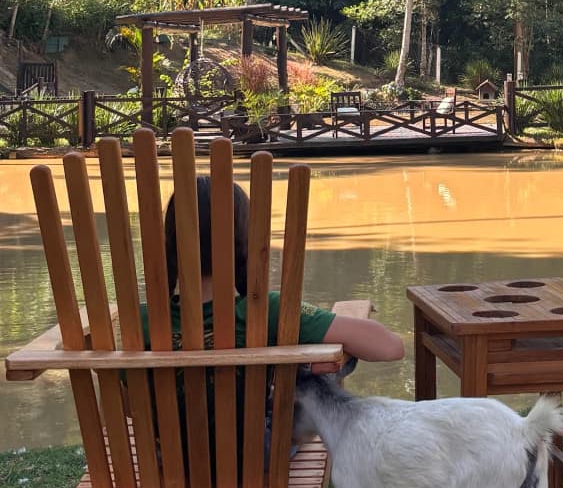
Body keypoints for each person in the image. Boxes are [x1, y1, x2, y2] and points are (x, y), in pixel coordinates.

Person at [140, 178, 404, 459]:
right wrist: (297, 360)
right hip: (256, 457)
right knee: (324, 362)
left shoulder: (144, 321)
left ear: (169, 246)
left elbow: (134, 403)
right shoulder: (270, 310)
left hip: (172, 461)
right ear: (246, 244)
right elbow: (390, 347)